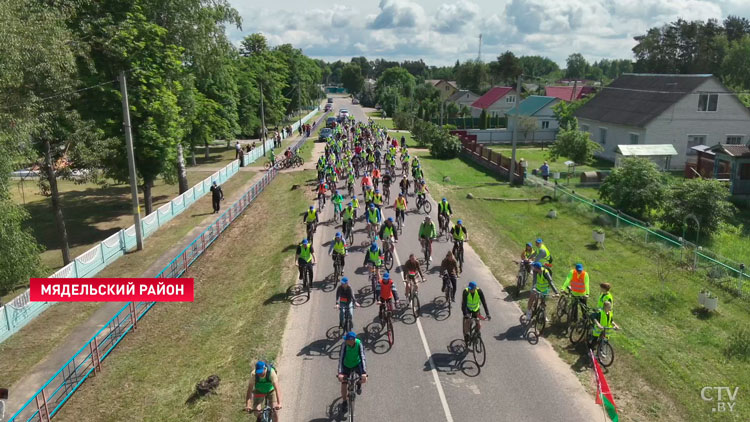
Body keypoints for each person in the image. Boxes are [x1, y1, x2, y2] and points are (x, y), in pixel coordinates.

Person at [337, 331, 367, 416]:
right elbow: (341, 358)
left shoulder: (359, 343)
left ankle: (358, 383)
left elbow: (362, 356)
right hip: (346, 364)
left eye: (347, 340)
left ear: (352, 340)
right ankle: (344, 401)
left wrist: (364, 373)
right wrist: (340, 373)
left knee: (364, 379)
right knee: (344, 383)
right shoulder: (344, 345)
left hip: (357, 363)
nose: (345, 341)